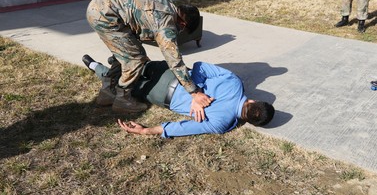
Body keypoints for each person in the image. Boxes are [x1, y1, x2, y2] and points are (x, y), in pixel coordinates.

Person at [82, 55, 275, 138]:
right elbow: (182, 127)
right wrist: (146, 131)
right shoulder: (221, 123)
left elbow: (199, 66)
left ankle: (117, 60)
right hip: (161, 95)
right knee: (123, 84)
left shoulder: (235, 82)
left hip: (170, 72)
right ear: (248, 121)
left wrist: (196, 90)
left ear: (252, 101)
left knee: (138, 65)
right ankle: (95, 65)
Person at [86, 0, 212, 114]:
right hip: (105, 16)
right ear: (183, 23)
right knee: (134, 59)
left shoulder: (167, 6)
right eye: (183, 30)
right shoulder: (165, 24)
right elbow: (174, 61)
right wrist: (194, 92)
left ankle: (107, 93)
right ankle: (122, 99)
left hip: (101, 5)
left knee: (125, 54)